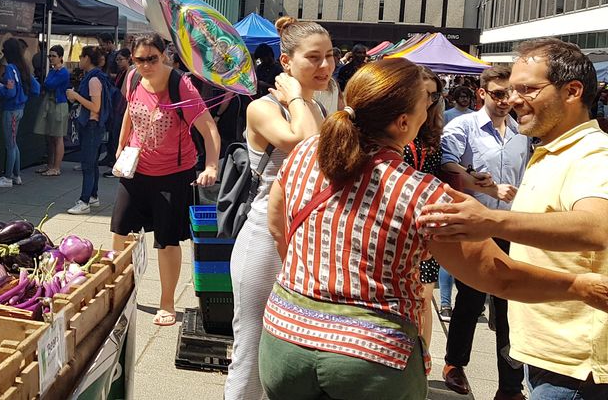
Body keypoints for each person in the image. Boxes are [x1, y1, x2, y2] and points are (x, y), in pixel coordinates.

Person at [259, 57, 608, 400]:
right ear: (403, 123)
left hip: (284, 340)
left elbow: (278, 227)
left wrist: (314, 286)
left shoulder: (305, 152)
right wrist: (577, 285)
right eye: (425, 105)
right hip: (369, 356)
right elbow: (495, 275)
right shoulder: (422, 193)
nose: (429, 113)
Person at [420, 38, 608, 399]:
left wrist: (490, 221)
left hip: (574, 368)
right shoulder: (550, 147)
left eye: (528, 89)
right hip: (547, 357)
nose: (514, 99)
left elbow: (597, 227)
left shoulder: (592, 154)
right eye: (510, 90)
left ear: (572, 91)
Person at [225, 17, 334, 400]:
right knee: (250, 351)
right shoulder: (263, 108)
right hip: (263, 240)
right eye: (314, 58)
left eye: (330, 56)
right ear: (286, 63)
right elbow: (305, 146)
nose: (325, 66)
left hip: (305, 240)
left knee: (292, 352)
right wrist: (296, 100)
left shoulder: (316, 109)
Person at [105, 34, 221, 328]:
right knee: (119, 230)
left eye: (152, 59)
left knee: (167, 240)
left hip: (173, 173)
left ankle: (166, 302)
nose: (146, 65)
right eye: (140, 59)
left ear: (164, 55)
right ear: (132, 58)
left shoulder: (179, 85)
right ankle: (120, 292)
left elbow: (209, 128)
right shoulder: (132, 78)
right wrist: (121, 145)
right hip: (136, 170)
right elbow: (130, 111)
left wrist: (210, 166)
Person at [431, 64, 531, 398]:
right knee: (471, 301)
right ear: (482, 93)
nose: (506, 101)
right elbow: (447, 166)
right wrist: (482, 183)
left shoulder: (522, 133)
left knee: (507, 307)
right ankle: (455, 363)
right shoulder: (463, 127)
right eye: (499, 94)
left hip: (509, 227)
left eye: (511, 95)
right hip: (473, 226)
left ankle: (510, 384)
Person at [400, 67, 445, 353]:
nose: (429, 100)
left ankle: (422, 363)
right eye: (424, 94)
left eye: (434, 94)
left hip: (427, 220)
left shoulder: (434, 132)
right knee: (408, 298)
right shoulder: (399, 128)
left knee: (425, 298)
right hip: (398, 220)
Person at [65, 46, 110, 214]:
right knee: (92, 164)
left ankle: (84, 201)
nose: (79, 59)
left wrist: (76, 96)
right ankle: (93, 196)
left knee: (88, 165)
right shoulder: (96, 78)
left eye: (81, 56)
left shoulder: (93, 80)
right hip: (94, 126)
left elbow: (95, 107)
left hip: (91, 126)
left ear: (87, 58)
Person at [0, 38, 33, 189]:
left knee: (10, 144)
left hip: (11, 109)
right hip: (20, 108)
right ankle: (16, 175)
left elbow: (10, 92)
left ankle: (8, 177)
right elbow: (35, 87)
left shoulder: (10, 69)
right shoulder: (22, 68)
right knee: (14, 143)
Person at [33, 45, 69, 176]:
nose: (51, 59)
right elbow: (48, 83)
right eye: (50, 56)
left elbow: (49, 84)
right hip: (51, 104)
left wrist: (47, 84)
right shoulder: (53, 71)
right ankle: (50, 165)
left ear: (60, 57)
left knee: (58, 137)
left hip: (59, 105)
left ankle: (56, 167)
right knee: (50, 137)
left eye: (54, 56)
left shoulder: (63, 72)